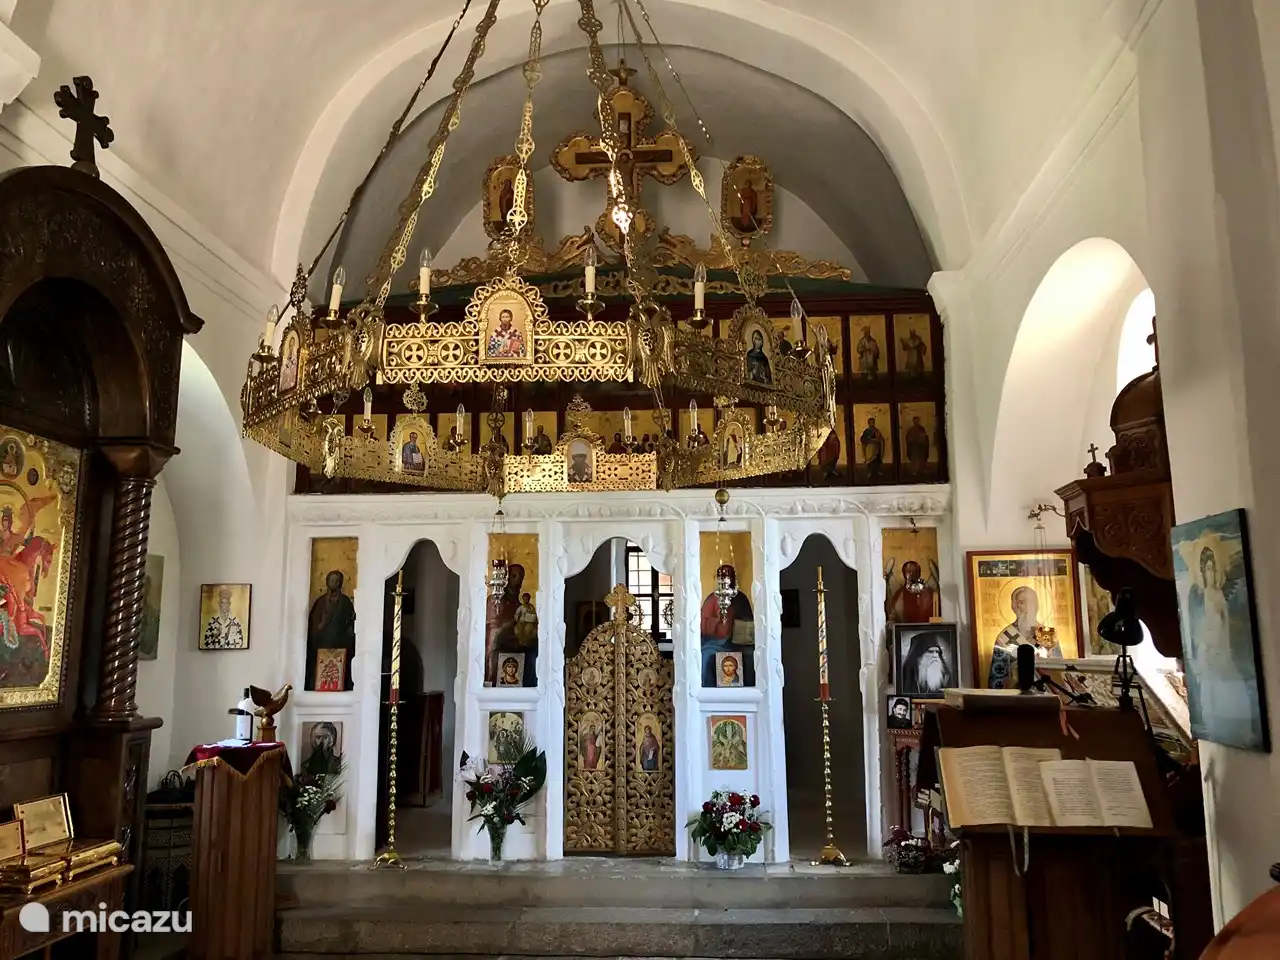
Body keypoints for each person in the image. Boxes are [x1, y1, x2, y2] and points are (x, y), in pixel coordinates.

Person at [1187, 545, 1257, 743]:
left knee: (1235, 690)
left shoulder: (1217, 594)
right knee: (1214, 693)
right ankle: (1217, 728)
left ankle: (1241, 731)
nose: (1211, 573)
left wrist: (1226, 647)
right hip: (1208, 649)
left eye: (1213, 568)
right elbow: (1197, 627)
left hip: (1222, 648)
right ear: (1202, 571)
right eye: (1207, 569)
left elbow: (1225, 624)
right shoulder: (1199, 595)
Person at [988, 585, 1061, 689]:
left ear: (1036, 606)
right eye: (1022, 602)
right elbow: (998, 678)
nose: (1027, 607)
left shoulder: (1048, 635)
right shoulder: (1004, 637)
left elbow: (1059, 671)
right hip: (1016, 697)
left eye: (1030, 602)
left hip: (1045, 695)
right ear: (1015, 607)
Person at [700, 564, 755, 687]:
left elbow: (749, 622)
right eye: (722, 577)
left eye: (728, 576)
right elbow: (703, 625)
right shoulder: (712, 599)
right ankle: (707, 691)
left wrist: (739, 619)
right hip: (715, 643)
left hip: (739, 643)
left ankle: (750, 689)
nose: (726, 580)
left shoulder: (741, 598)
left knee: (751, 656)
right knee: (705, 656)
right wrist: (717, 619)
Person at [306, 571, 356, 690]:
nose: (335, 583)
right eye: (332, 580)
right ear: (327, 582)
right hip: (322, 644)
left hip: (341, 645)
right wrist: (323, 623)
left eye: (338, 581)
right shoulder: (320, 603)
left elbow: (351, 623)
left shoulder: (345, 602)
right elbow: (314, 626)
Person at [899, 630, 954, 696]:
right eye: (930, 651)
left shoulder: (946, 677)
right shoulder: (907, 674)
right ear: (919, 655)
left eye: (937, 652)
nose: (935, 655)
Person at [203, 585, 246, 650]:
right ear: (219, 604)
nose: (224, 606)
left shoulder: (235, 621)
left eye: (226, 603)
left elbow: (240, 642)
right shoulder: (213, 621)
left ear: (229, 604)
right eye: (222, 603)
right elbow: (207, 642)